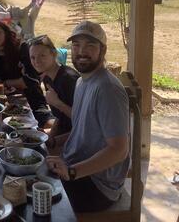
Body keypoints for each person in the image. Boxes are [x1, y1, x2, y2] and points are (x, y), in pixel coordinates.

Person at [46, 21, 130, 213]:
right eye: (76, 45)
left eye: (90, 45)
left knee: (33, 199)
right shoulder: (82, 82)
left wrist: (72, 172)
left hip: (98, 185)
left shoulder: (107, 89)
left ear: (103, 50)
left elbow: (119, 150)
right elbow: (83, 130)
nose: (81, 51)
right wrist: (51, 142)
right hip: (75, 167)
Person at [0, 19, 53, 127]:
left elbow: (31, 80)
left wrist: (5, 83)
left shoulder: (22, 48)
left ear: (6, 32)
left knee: (46, 122)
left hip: (31, 100)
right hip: (2, 103)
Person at [29, 35, 79, 144]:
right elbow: (60, 116)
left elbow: (83, 119)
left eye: (42, 55)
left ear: (54, 54)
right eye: (32, 57)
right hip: (64, 132)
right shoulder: (47, 77)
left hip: (78, 137)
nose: (37, 61)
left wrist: (57, 103)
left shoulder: (69, 79)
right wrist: (51, 136)